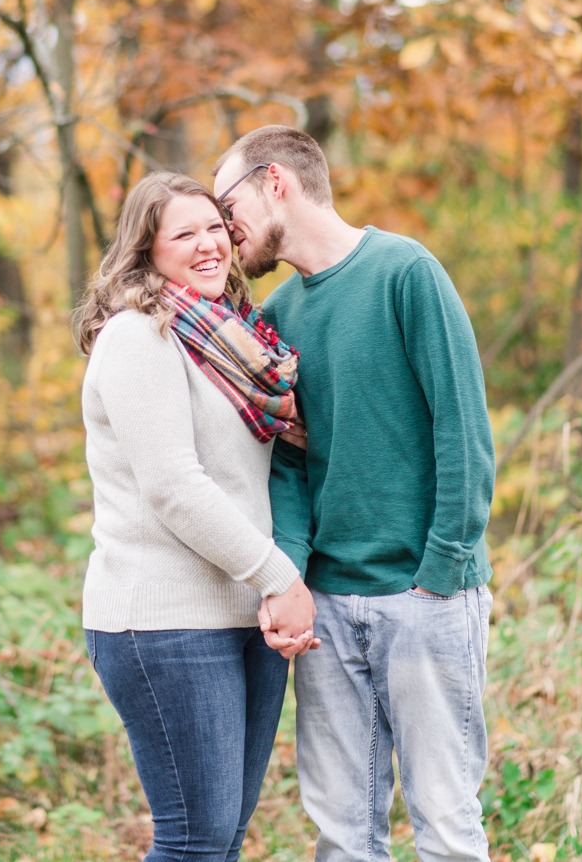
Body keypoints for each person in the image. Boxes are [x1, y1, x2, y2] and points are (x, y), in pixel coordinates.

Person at [212, 126, 496, 862]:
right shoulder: (275, 318)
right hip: (329, 609)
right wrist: (295, 576)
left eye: (226, 200)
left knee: (446, 826)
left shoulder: (406, 272)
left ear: (276, 180)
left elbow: (461, 430)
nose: (221, 224)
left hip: (424, 596)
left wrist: (441, 573)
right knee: (342, 834)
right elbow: (288, 468)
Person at [73, 171, 318, 862]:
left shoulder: (231, 342)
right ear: (146, 249)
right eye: (185, 234)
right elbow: (174, 487)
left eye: (216, 227)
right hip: (165, 622)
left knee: (222, 839)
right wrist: (280, 577)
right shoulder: (137, 337)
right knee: (194, 842)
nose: (209, 244)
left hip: (245, 615)